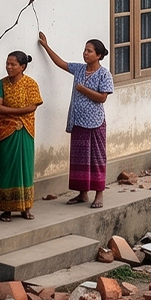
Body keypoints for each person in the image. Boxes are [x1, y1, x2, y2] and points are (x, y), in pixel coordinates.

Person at [38, 34, 114, 207]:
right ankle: (82, 193)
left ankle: (99, 194)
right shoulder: (79, 69)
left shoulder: (104, 74)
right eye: (85, 50)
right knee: (79, 159)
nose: (85, 53)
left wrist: (83, 89)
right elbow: (61, 63)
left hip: (95, 122)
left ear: (99, 55)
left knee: (96, 158)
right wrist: (46, 46)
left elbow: (102, 98)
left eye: (89, 51)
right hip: (78, 121)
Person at [0, 50, 43, 221]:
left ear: (22, 67)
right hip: (6, 132)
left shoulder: (31, 84)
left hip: (25, 130)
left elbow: (32, 107)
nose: (9, 67)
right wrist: (18, 112)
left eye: (13, 64)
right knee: (6, 168)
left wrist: (12, 112)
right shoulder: (1, 84)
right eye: (7, 64)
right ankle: (6, 208)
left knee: (25, 167)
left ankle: (25, 207)